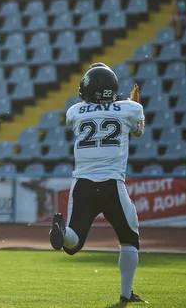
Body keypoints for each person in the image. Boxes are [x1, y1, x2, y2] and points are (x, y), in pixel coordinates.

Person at [49, 63, 146, 304]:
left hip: (82, 183)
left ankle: (64, 232)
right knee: (129, 238)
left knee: (73, 244)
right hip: (112, 183)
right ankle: (125, 294)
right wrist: (134, 107)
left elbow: (91, 115)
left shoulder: (75, 111)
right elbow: (138, 132)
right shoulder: (130, 108)